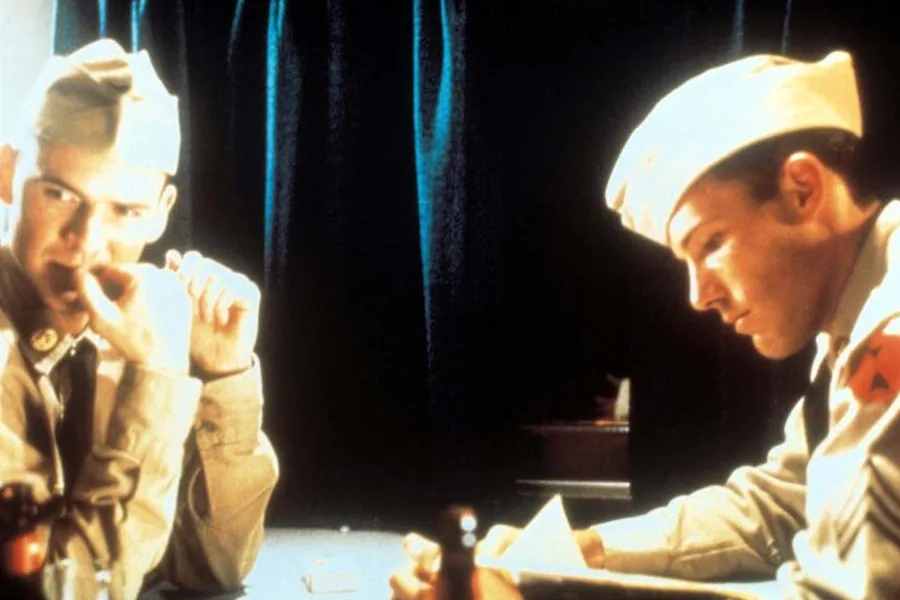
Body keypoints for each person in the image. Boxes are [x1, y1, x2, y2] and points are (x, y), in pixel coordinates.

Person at [390, 49, 900, 599]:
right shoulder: (856, 314)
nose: (699, 296)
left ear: (803, 189)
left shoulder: (890, 331)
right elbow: (777, 502)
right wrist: (577, 553)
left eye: (711, 243)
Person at [0, 39, 279, 598]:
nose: (86, 242)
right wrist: (157, 383)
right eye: (59, 194)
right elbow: (68, 592)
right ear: (6, 174)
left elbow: (213, 566)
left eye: (125, 211)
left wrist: (222, 377)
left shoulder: (138, 325)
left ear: (160, 213)